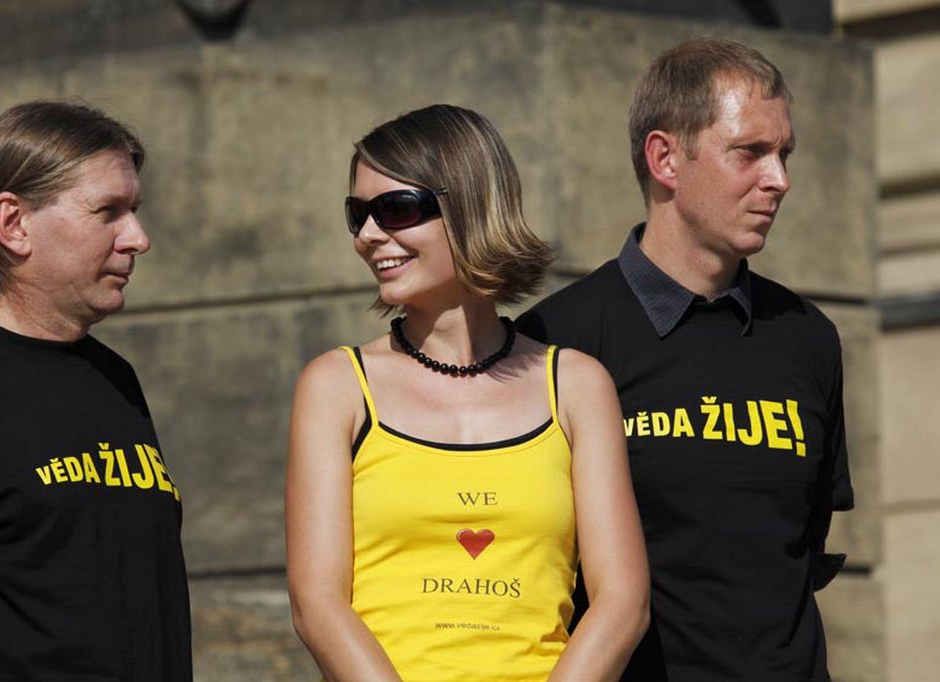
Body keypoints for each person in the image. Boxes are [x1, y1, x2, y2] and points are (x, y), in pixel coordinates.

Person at [518, 38, 854, 681]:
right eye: (750, 152)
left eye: (784, 154)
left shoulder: (807, 336)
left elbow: (803, 547)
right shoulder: (556, 341)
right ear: (665, 159)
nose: (779, 180)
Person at [286, 104, 649, 681]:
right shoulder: (336, 387)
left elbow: (622, 602)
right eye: (357, 214)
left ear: (470, 205)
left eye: (396, 209)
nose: (369, 235)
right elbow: (318, 606)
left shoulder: (577, 387)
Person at [0, 101, 192, 680]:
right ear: (14, 223)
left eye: (134, 211)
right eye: (108, 211)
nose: (138, 238)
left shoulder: (114, 378)